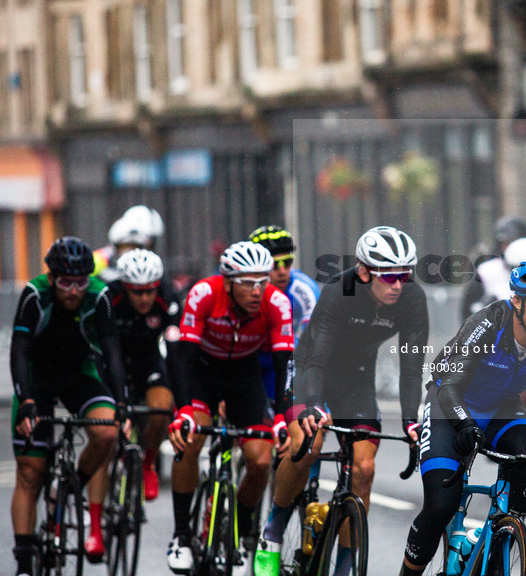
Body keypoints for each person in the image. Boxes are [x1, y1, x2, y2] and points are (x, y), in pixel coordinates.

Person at [399, 256, 526, 576]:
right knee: (440, 505)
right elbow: (450, 385)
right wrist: (464, 424)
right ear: (517, 300)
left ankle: (500, 538)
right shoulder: (489, 324)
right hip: (450, 404)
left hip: (500, 406)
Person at [253, 226, 429, 576]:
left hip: (357, 378)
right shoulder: (340, 291)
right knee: (307, 443)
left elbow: (412, 368)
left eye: (405, 275)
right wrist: (315, 404)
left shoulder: (412, 298)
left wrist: (412, 419)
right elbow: (315, 359)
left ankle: (344, 567)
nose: (399, 284)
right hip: (311, 370)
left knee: (364, 468)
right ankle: (272, 531)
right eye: (390, 276)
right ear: (364, 272)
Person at [166, 241, 294, 573]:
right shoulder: (203, 294)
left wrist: (281, 415)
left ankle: (241, 525)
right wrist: (182, 411)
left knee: (260, 460)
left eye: (262, 282)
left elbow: (283, 365)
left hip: (244, 375)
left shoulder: (277, 303)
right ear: (227, 282)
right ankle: (181, 536)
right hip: (202, 372)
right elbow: (183, 358)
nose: (257, 291)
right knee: (190, 440)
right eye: (248, 282)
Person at [10, 237, 129, 574]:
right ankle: (23, 562)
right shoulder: (36, 295)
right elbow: (18, 351)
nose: (74, 291)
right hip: (37, 379)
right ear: (52, 278)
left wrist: (121, 402)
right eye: (65, 282)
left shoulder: (99, 294)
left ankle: (69, 485)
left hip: (79, 374)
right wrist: (26, 402)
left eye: (80, 283)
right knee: (30, 471)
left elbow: (112, 350)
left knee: (107, 432)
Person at [107, 249, 180, 500]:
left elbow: (174, 352)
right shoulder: (110, 298)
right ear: (124, 287)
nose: (145, 298)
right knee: (108, 423)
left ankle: (149, 463)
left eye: (150, 290)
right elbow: (105, 350)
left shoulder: (168, 298)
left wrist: (180, 399)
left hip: (148, 360)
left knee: (161, 409)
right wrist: (120, 401)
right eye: (137, 291)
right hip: (113, 360)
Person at [248, 225, 321, 402]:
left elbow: (316, 343)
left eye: (287, 263)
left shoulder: (305, 289)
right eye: (274, 265)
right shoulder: (244, 288)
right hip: (249, 356)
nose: (282, 271)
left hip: (286, 355)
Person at [461, 216, 526, 319]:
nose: (510, 249)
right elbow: (468, 311)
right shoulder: (487, 271)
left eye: (514, 243)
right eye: (506, 244)